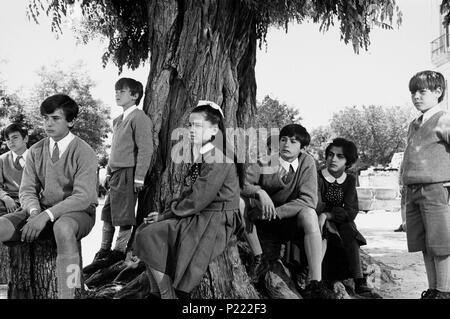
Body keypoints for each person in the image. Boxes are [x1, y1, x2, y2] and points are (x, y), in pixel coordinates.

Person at [133, 100, 244, 299]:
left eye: (198, 125)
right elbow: (191, 193)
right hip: (202, 211)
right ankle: (155, 291)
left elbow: (198, 199)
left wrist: (165, 215)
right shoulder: (206, 155)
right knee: (145, 231)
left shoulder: (217, 157)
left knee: (149, 235)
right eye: (190, 125)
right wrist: (164, 214)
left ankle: (168, 294)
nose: (192, 130)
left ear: (214, 130)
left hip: (215, 218)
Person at [0, 94, 98, 299]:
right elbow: (26, 190)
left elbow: (83, 196)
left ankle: (68, 294)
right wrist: (35, 212)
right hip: (41, 211)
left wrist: (45, 216)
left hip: (77, 213)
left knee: (62, 228)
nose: (48, 123)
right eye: (45, 118)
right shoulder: (36, 150)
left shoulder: (84, 151)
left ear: (70, 121)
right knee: (1, 226)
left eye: (55, 118)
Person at [240, 123, 335, 299]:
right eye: (283, 140)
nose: (286, 145)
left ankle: (315, 283)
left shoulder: (307, 162)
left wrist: (276, 212)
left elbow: (308, 200)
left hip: (290, 222)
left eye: (293, 141)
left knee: (310, 213)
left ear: (302, 148)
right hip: (264, 224)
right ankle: (258, 258)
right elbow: (243, 185)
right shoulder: (266, 161)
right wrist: (259, 192)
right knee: (239, 202)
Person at [84, 78, 153, 274]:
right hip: (114, 174)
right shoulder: (118, 120)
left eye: (122, 91)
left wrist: (139, 177)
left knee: (123, 214)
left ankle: (118, 251)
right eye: (115, 91)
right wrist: (107, 172)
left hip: (128, 173)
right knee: (107, 213)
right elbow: (114, 151)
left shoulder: (139, 118)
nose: (117, 94)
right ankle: (103, 250)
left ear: (135, 95)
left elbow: (146, 149)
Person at [402, 70, 450, 299]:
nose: (416, 96)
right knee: (424, 243)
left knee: (440, 244)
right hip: (413, 190)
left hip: (435, 190)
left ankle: (444, 290)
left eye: (422, 91)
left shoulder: (444, 119)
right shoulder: (414, 123)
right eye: (413, 92)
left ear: (438, 92)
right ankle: (432, 289)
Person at [317, 138, 380, 298]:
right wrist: (325, 214)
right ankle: (324, 280)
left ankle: (358, 281)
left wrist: (329, 214)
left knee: (350, 231)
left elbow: (351, 209)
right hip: (318, 220)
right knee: (328, 233)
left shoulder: (350, 179)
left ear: (348, 161)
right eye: (330, 155)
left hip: (340, 220)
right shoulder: (318, 176)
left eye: (340, 156)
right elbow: (317, 203)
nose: (333, 159)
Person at [0, 123, 29, 216]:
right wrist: (5, 198)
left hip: (30, 200)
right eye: (8, 139)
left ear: (25, 139)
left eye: (15, 137)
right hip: (8, 200)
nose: (10, 142)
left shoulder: (37, 158)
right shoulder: (2, 159)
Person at [394, 159, 406, 232]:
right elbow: (400, 172)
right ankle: (404, 224)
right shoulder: (404, 160)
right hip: (406, 185)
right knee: (403, 206)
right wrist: (401, 185)